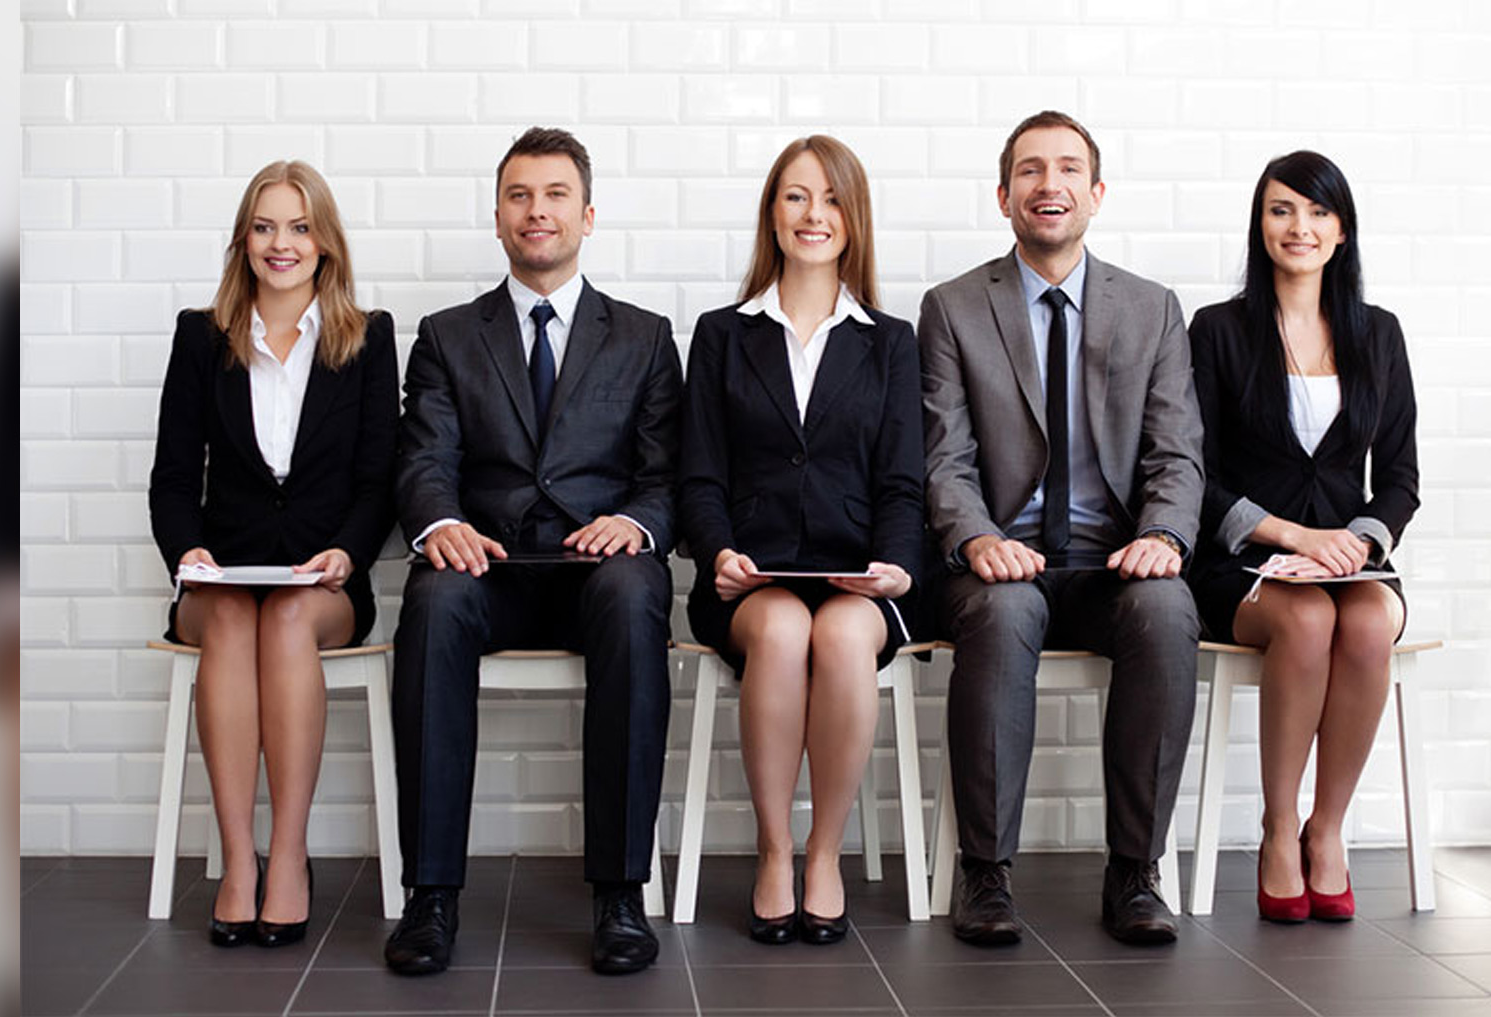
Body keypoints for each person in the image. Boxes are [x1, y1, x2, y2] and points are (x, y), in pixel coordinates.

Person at [383, 127, 682, 977]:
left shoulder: (645, 336)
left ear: (588, 215)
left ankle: (621, 891)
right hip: (491, 566)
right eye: (520, 195)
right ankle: (431, 895)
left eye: (555, 195)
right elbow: (424, 459)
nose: (537, 211)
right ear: (498, 216)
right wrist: (441, 525)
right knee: (432, 597)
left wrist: (638, 522)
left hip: (600, 567)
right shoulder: (446, 336)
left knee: (633, 595)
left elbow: (669, 475)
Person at [919, 111, 1204, 946]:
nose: (1051, 185)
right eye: (1032, 171)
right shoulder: (954, 308)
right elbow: (945, 458)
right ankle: (986, 872)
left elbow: (1176, 453)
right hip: (1002, 559)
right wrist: (975, 538)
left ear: (1097, 192)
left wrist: (1165, 538)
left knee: (1167, 609)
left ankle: (1135, 871)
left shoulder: (1153, 310)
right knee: (1004, 614)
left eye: (1069, 169)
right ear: (1004, 194)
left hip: (1113, 558)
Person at [680, 136, 924, 946]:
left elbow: (901, 482)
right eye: (795, 196)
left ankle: (826, 851)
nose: (812, 214)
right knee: (785, 627)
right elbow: (701, 476)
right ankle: (775, 848)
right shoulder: (721, 333)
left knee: (844, 634)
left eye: (830, 198)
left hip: (857, 574)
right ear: (771, 214)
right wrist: (717, 551)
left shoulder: (890, 340)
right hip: (751, 578)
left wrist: (895, 568)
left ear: (854, 218)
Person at [148, 160, 398, 949]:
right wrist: (187, 549)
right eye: (264, 226)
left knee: (287, 617)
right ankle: (236, 860)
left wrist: (346, 554)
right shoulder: (202, 335)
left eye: (297, 226)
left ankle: (287, 856)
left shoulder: (368, 336)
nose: (279, 243)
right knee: (228, 618)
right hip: (222, 572)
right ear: (243, 239)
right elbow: (172, 476)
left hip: (318, 579)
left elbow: (378, 480)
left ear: (324, 241)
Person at [1186, 150, 1419, 923]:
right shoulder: (1217, 331)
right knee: (1310, 617)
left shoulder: (1378, 336)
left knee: (1362, 620)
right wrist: (1292, 535)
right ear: (1260, 225)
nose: (1301, 227)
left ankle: (1328, 827)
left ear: (1343, 230)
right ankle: (1279, 827)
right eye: (1282, 209)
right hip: (1243, 560)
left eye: (1319, 212)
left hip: (1348, 562)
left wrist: (1356, 539)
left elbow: (1401, 478)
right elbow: (1198, 473)